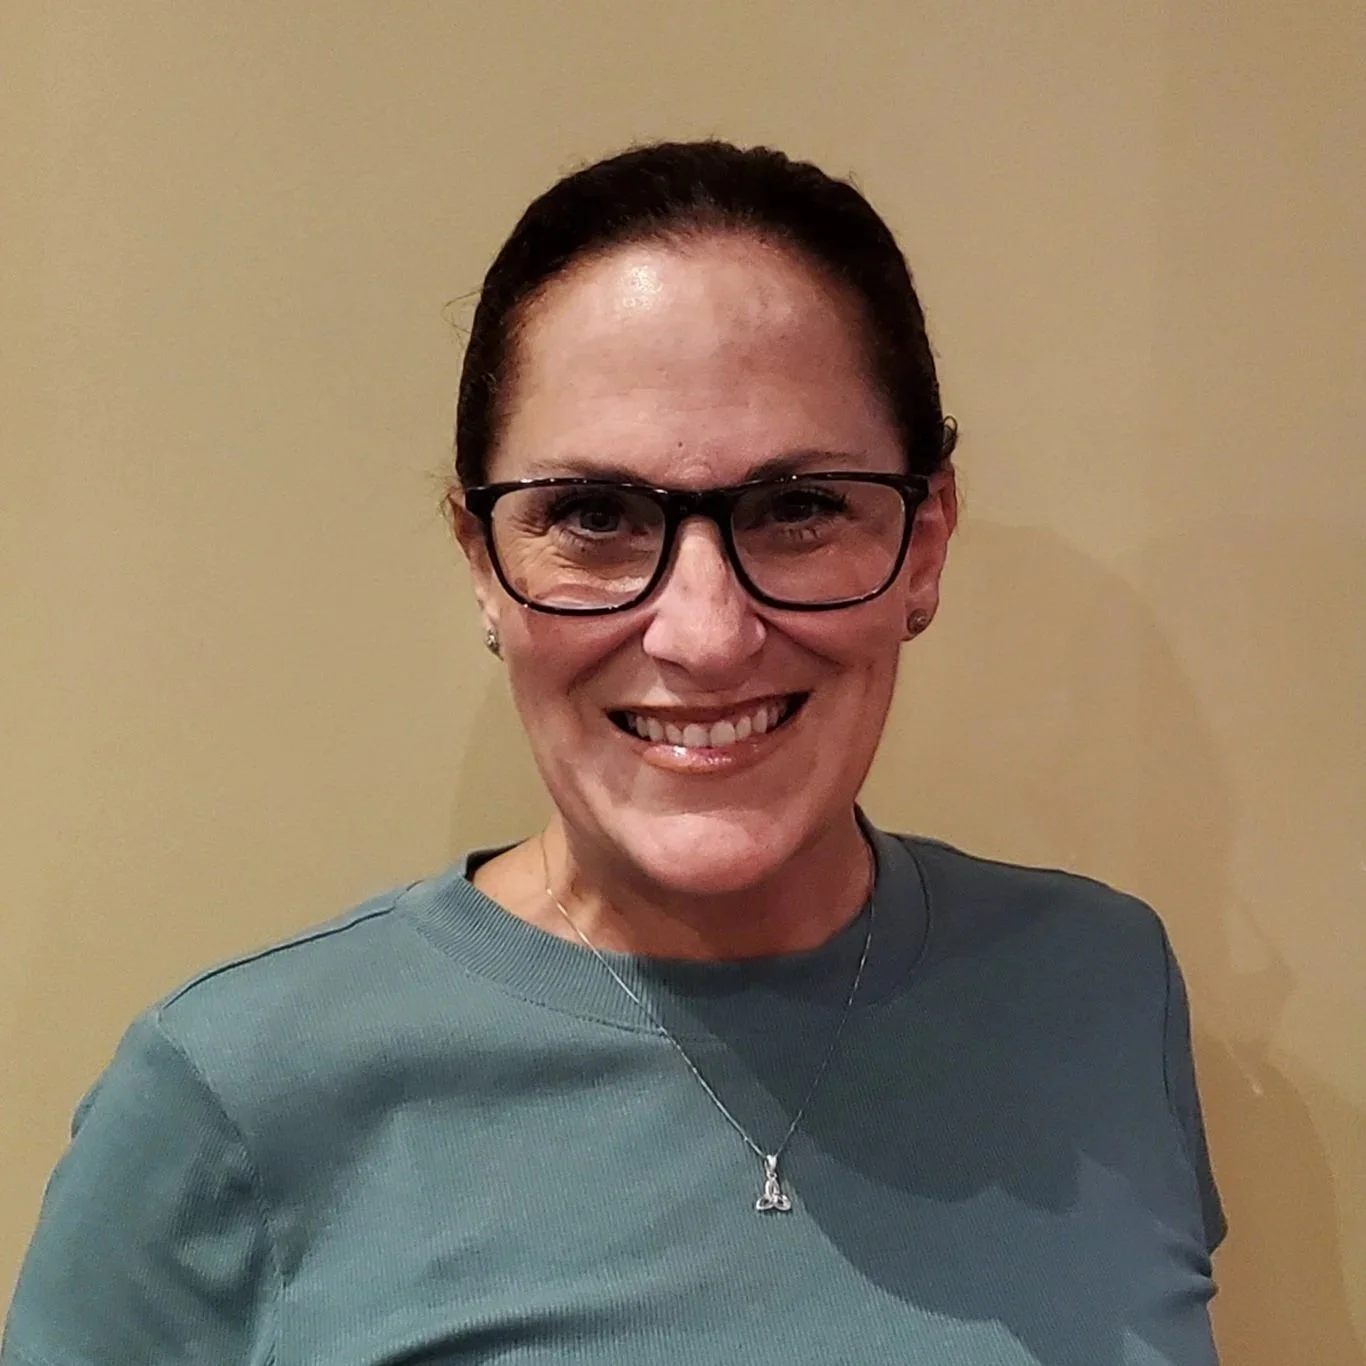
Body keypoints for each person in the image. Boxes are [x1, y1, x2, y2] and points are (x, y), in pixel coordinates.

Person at [2, 141, 1224, 1366]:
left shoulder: (1100, 984)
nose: (703, 634)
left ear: (924, 541)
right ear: (484, 562)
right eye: (593, 515)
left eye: (798, 506)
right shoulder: (234, 1096)